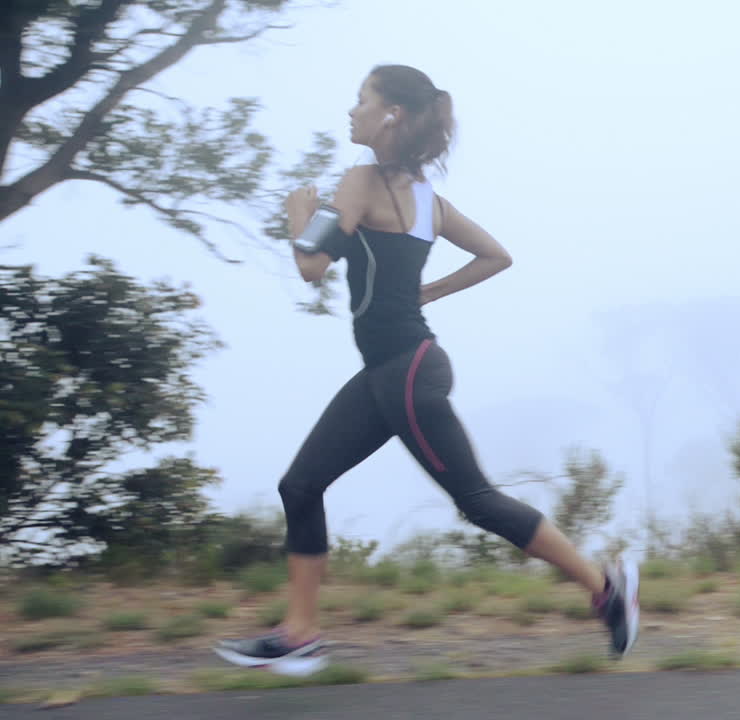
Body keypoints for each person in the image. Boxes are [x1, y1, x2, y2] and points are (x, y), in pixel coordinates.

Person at [213, 64, 639, 676]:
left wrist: (298, 215)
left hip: (406, 373)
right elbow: (496, 256)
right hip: (397, 368)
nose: (350, 111)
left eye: (361, 101)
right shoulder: (430, 203)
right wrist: (426, 292)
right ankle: (299, 632)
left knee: (477, 500)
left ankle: (606, 588)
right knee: (300, 487)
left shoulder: (360, 180)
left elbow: (312, 266)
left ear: (391, 116)